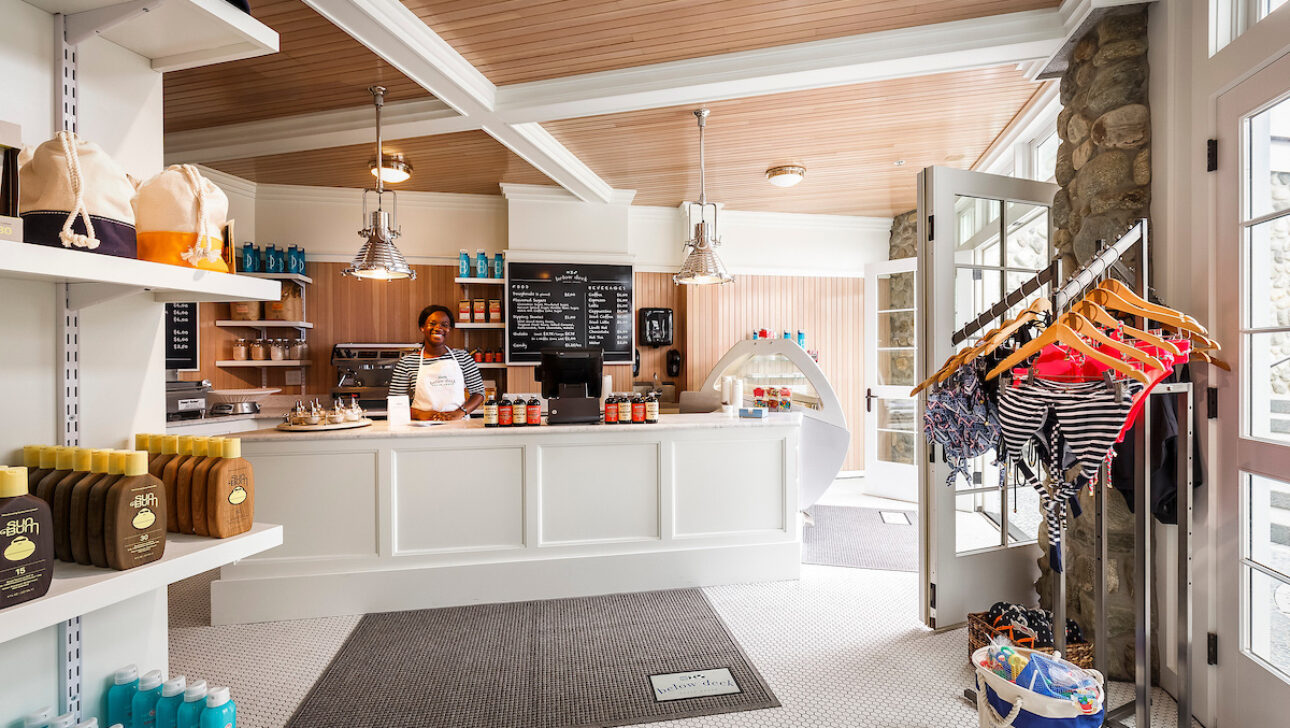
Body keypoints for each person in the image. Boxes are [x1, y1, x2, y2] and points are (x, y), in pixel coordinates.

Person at [388, 305, 485, 421]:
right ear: (422, 327)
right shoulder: (407, 362)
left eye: (445, 325)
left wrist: (460, 412)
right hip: (421, 428)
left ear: (450, 330)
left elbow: (479, 393)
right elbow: (395, 402)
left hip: (458, 426)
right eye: (432, 324)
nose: (438, 328)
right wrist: (420, 414)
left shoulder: (463, 357)